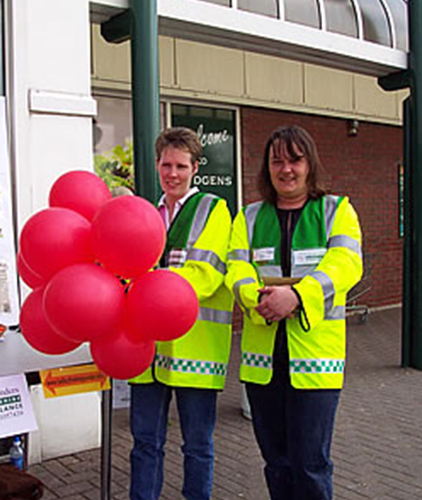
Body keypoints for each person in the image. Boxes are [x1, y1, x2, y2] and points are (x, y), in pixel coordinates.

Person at [225, 125, 363, 500]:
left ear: (309, 164)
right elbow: (235, 269)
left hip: (316, 362)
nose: (286, 169)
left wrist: (298, 297)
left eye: (295, 160)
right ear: (267, 168)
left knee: (310, 465)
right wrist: (258, 299)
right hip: (263, 363)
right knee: (276, 462)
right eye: (277, 161)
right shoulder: (248, 217)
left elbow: (345, 265)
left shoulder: (337, 211)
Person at [129, 127, 233, 500]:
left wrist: (147, 282)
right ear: (157, 165)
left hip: (195, 349)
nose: (172, 173)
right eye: (165, 165)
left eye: (180, 166)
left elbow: (205, 276)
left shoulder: (213, 209)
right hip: (147, 351)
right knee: (144, 443)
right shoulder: (144, 214)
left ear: (195, 168)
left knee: (198, 446)